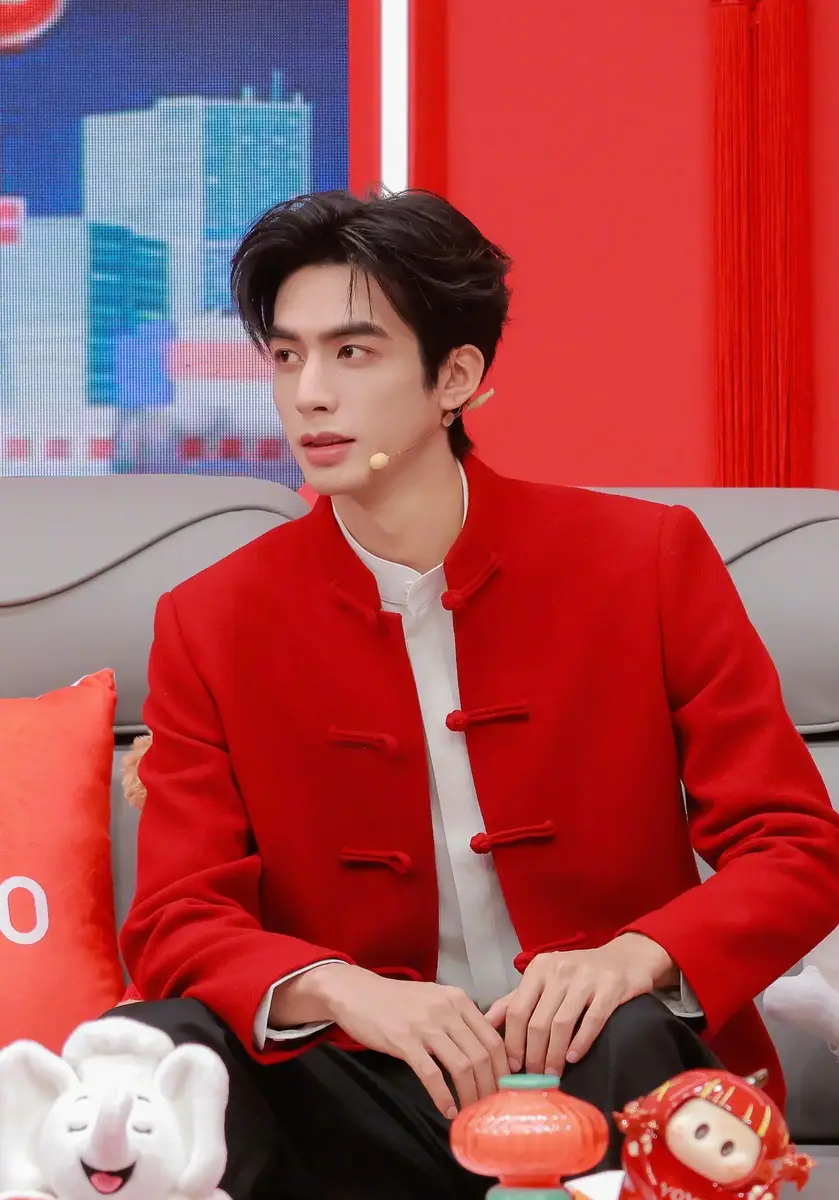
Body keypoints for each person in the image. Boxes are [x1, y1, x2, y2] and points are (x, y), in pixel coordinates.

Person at [115, 189, 839, 1200]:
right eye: (285, 356)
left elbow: (793, 845)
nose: (308, 394)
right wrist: (342, 990)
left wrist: (635, 956)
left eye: (351, 352)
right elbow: (176, 919)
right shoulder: (211, 618)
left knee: (628, 1032)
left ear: (454, 376)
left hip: (605, 1067)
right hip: (364, 1082)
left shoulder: (643, 562)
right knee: (161, 1043)